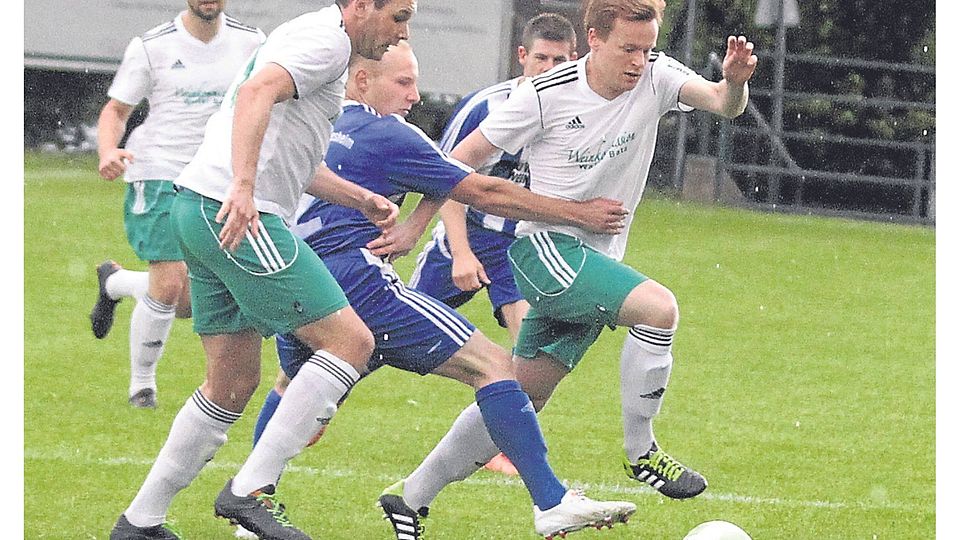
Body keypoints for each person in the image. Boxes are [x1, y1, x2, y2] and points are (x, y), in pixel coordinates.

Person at [244, 41, 638, 540]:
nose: (414, 95)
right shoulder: (387, 131)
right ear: (363, 81)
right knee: (495, 365)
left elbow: (437, 175)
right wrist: (578, 213)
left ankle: (254, 503)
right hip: (360, 284)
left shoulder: (323, 124)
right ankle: (551, 502)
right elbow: (481, 188)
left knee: (292, 386)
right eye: (403, 82)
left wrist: (413, 225)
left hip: (300, 277)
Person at [388, 0, 760, 527]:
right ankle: (641, 453)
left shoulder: (658, 76)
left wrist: (736, 82)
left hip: (593, 258)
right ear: (594, 39)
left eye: (647, 48)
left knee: (519, 398)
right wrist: (413, 225)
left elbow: (724, 104)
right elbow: (457, 161)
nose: (639, 61)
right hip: (545, 254)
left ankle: (411, 496)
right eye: (628, 49)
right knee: (658, 309)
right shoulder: (543, 95)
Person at [109, 1, 413, 539]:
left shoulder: (316, 37)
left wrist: (357, 197)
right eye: (399, 15)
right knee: (350, 343)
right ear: (362, 7)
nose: (402, 32)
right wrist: (244, 189)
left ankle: (140, 522)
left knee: (230, 383)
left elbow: (288, 151)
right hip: (235, 215)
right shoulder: (327, 42)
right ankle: (250, 490)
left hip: (197, 207)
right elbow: (255, 95)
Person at [407, 12, 578, 476]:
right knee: (383, 334)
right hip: (465, 237)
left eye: (559, 60)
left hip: (520, 251)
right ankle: (322, 394)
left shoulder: (575, 117)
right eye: (540, 58)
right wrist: (461, 252)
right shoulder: (486, 107)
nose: (549, 68)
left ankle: (501, 447)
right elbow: (446, 182)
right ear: (522, 57)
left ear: (574, 60)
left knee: (530, 361)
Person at [89, 0, 264, 409]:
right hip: (158, 169)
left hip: (217, 176)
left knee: (187, 301)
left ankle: (115, 283)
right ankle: (141, 387)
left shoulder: (252, 43)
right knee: (167, 285)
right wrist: (107, 151)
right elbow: (116, 110)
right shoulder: (153, 46)